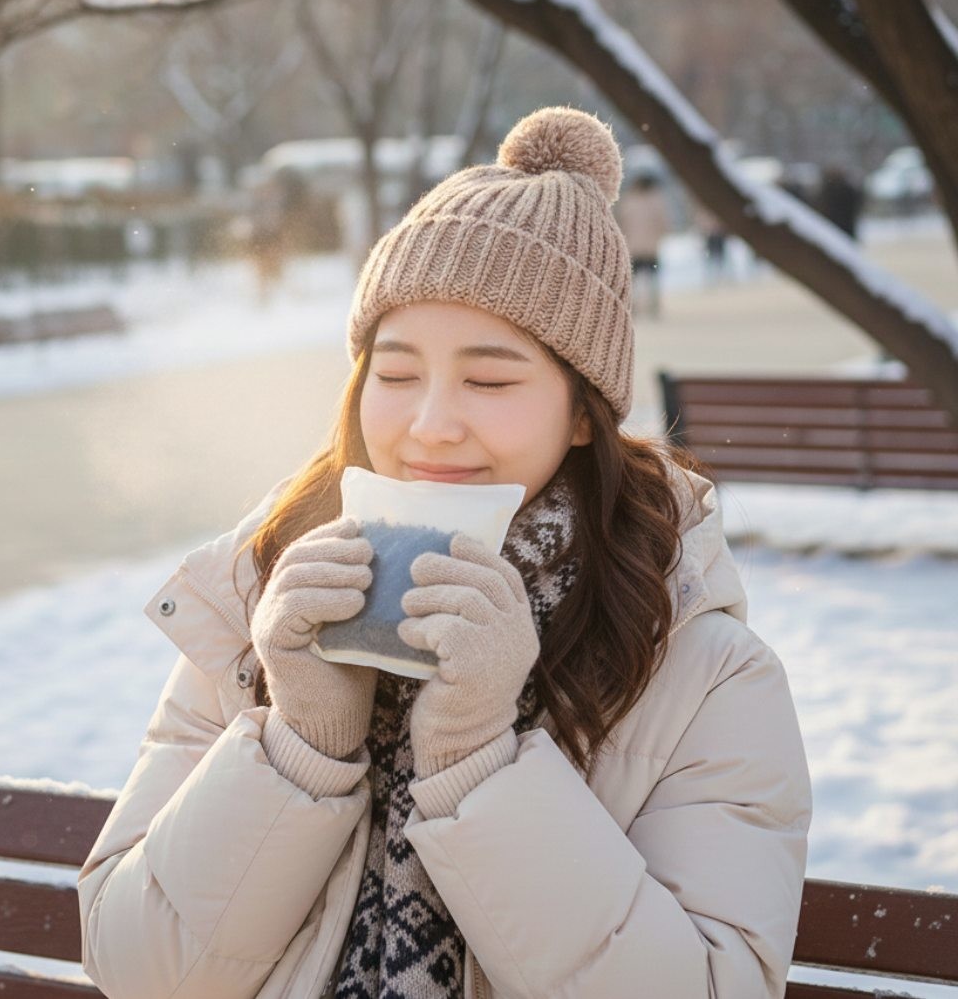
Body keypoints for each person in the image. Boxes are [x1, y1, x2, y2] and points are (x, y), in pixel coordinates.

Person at [78, 107, 812, 999]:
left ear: (583, 414)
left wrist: (476, 761)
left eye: (489, 379)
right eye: (394, 373)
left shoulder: (703, 671)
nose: (429, 424)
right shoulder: (263, 598)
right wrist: (300, 745)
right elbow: (138, 969)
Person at [615, 171, 670, 317]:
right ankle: (653, 306)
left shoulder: (629, 201)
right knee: (653, 278)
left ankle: (633, 307)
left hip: (633, 247)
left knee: (634, 280)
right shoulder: (656, 201)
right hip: (651, 248)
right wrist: (659, 235)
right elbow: (663, 223)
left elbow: (621, 222)